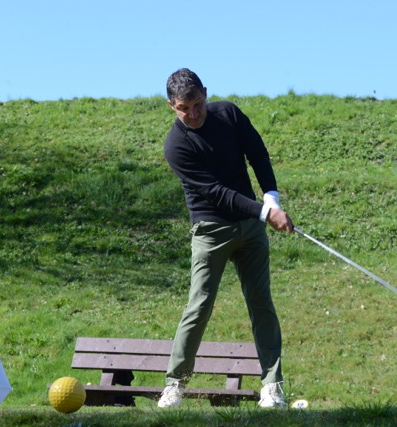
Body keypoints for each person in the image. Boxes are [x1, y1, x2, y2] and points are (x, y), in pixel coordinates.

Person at [158, 68, 294, 409]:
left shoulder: (228, 114)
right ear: (171, 106)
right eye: (184, 108)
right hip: (210, 230)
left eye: (198, 104)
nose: (193, 114)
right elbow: (217, 193)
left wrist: (272, 198)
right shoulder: (176, 146)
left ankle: (272, 386)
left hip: (250, 228)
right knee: (199, 305)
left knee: (261, 303)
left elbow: (257, 153)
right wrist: (265, 213)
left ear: (206, 93)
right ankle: (175, 385)